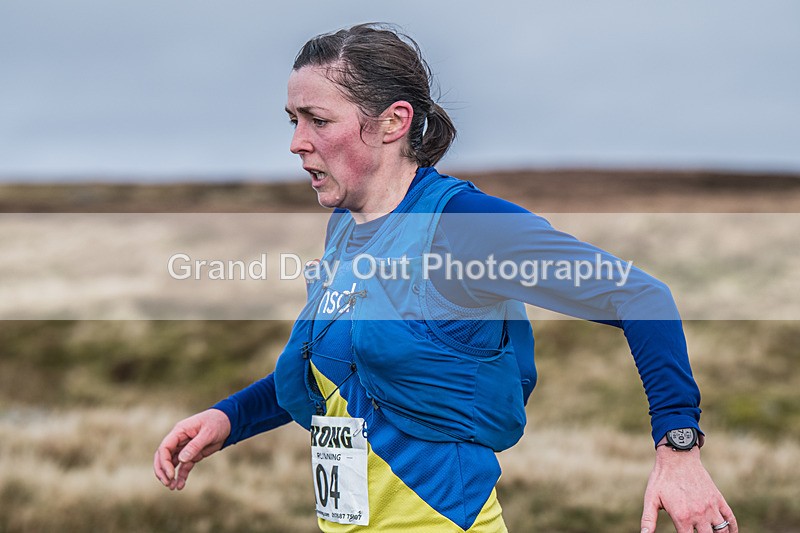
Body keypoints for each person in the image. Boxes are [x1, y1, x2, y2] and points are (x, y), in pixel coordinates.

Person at [154, 23, 737, 533]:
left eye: (318, 120)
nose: (296, 142)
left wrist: (678, 449)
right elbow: (341, 376)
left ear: (393, 123)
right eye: (292, 120)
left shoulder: (467, 227)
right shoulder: (347, 228)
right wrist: (229, 418)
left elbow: (640, 296)